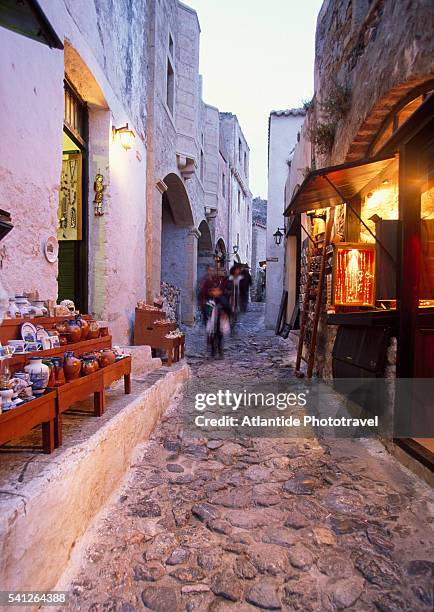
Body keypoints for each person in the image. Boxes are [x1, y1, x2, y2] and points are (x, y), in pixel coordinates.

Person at [205, 285, 231, 358]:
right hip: (212, 321)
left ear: (220, 291)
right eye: (214, 290)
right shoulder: (210, 300)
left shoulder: (223, 299)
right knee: (212, 336)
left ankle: (220, 352)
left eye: (217, 290)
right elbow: (206, 309)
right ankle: (213, 351)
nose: (215, 292)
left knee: (220, 337)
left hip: (220, 321)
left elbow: (228, 309)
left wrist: (224, 314)